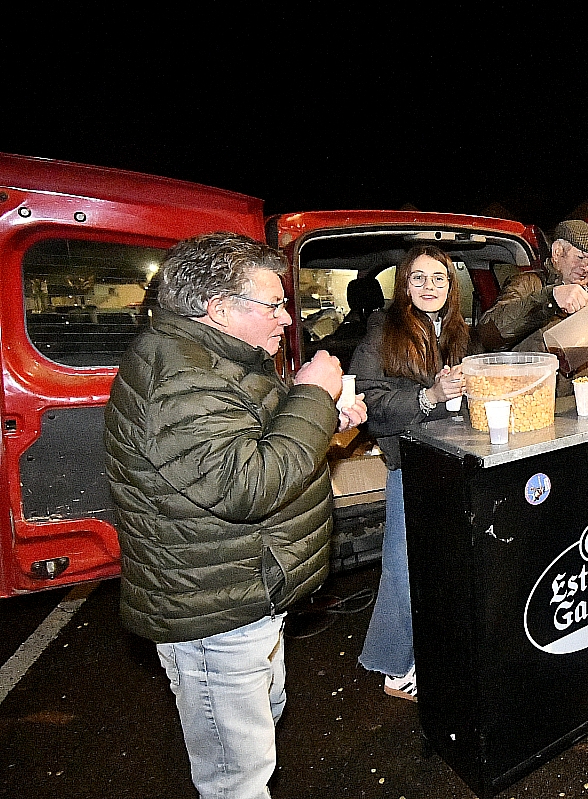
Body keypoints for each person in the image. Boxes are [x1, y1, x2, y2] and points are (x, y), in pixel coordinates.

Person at [104, 232, 368, 799]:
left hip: (245, 592)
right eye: (273, 304)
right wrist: (314, 396)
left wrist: (326, 418)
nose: (287, 317)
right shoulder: (180, 378)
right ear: (218, 307)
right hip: (214, 614)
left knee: (260, 727)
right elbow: (249, 486)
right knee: (236, 777)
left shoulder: (218, 360)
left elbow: (261, 445)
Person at [352, 245, 471, 700]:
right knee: (405, 568)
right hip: (411, 463)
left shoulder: (459, 332)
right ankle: (395, 667)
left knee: (445, 566)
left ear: (451, 286)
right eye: (418, 277)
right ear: (403, 284)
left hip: (456, 461)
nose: (429, 286)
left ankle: (433, 654)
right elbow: (368, 403)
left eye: (439, 277)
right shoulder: (383, 329)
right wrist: (429, 397)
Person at [476, 219, 588, 394]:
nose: (585, 267)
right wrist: (550, 299)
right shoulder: (528, 285)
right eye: (580, 257)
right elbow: (488, 334)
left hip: (577, 406)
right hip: (532, 403)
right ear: (557, 252)